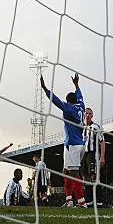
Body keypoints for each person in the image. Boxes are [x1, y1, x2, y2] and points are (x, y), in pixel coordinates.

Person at [41, 73, 86, 207]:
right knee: (65, 171)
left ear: (68, 101)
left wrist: (45, 88)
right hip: (72, 144)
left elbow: (56, 101)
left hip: (73, 144)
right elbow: (80, 95)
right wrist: (77, 85)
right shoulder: (81, 105)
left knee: (73, 172)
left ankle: (82, 202)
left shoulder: (69, 108)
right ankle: (68, 201)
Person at [81, 107, 106, 206]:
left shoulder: (96, 127)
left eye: (89, 113)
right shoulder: (80, 127)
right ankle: (89, 201)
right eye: (86, 113)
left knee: (95, 177)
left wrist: (102, 157)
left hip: (93, 154)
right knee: (85, 177)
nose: (87, 115)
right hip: (83, 155)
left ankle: (99, 201)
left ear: (92, 115)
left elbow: (102, 142)